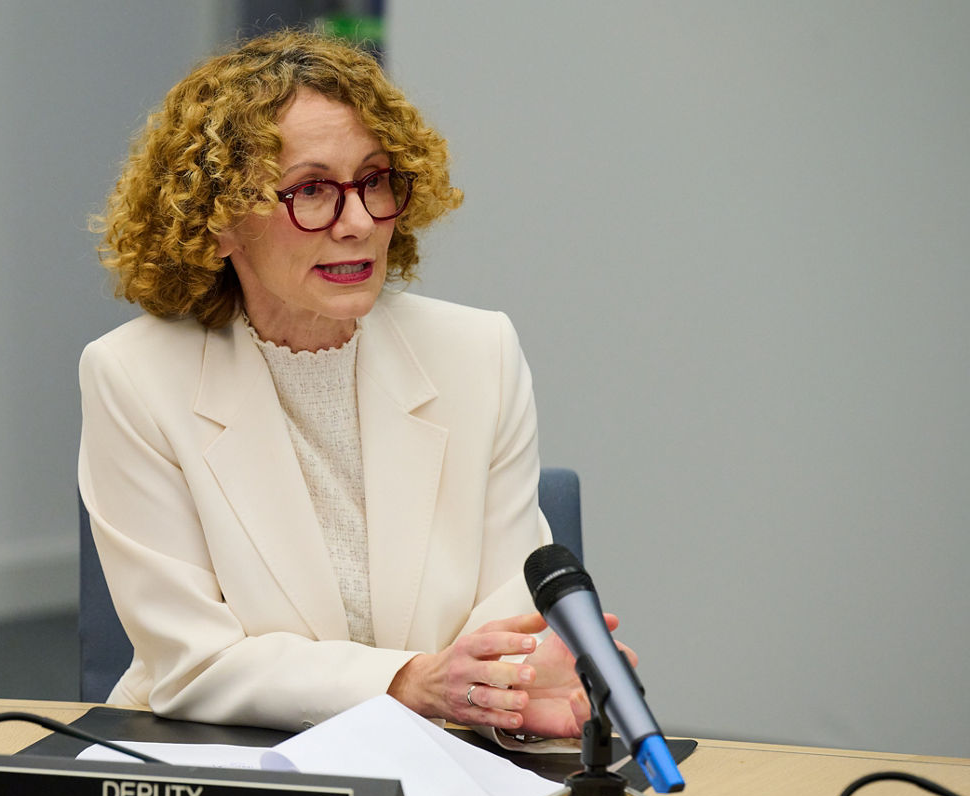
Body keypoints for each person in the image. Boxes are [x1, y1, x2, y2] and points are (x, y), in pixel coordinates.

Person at [79, 29, 631, 745]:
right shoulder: (134, 375)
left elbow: (504, 624)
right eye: (312, 190)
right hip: (233, 760)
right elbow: (195, 663)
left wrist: (517, 688)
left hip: (449, 755)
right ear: (217, 223)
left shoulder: (477, 354)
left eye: (375, 181)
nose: (358, 222)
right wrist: (409, 680)